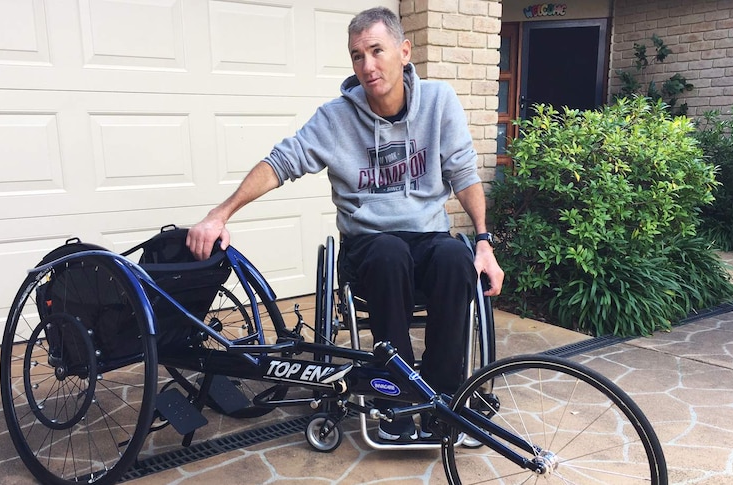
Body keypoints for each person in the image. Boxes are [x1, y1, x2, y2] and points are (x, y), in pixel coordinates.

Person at [187, 6, 504, 442]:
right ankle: (396, 401)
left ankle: (443, 399)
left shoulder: (439, 101)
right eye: (357, 55)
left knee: (455, 257)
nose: (368, 66)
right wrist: (221, 212)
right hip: (370, 246)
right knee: (389, 253)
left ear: (404, 51)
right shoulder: (337, 118)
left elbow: (464, 174)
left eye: (377, 51)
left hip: (429, 238)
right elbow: (281, 162)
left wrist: (483, 243)